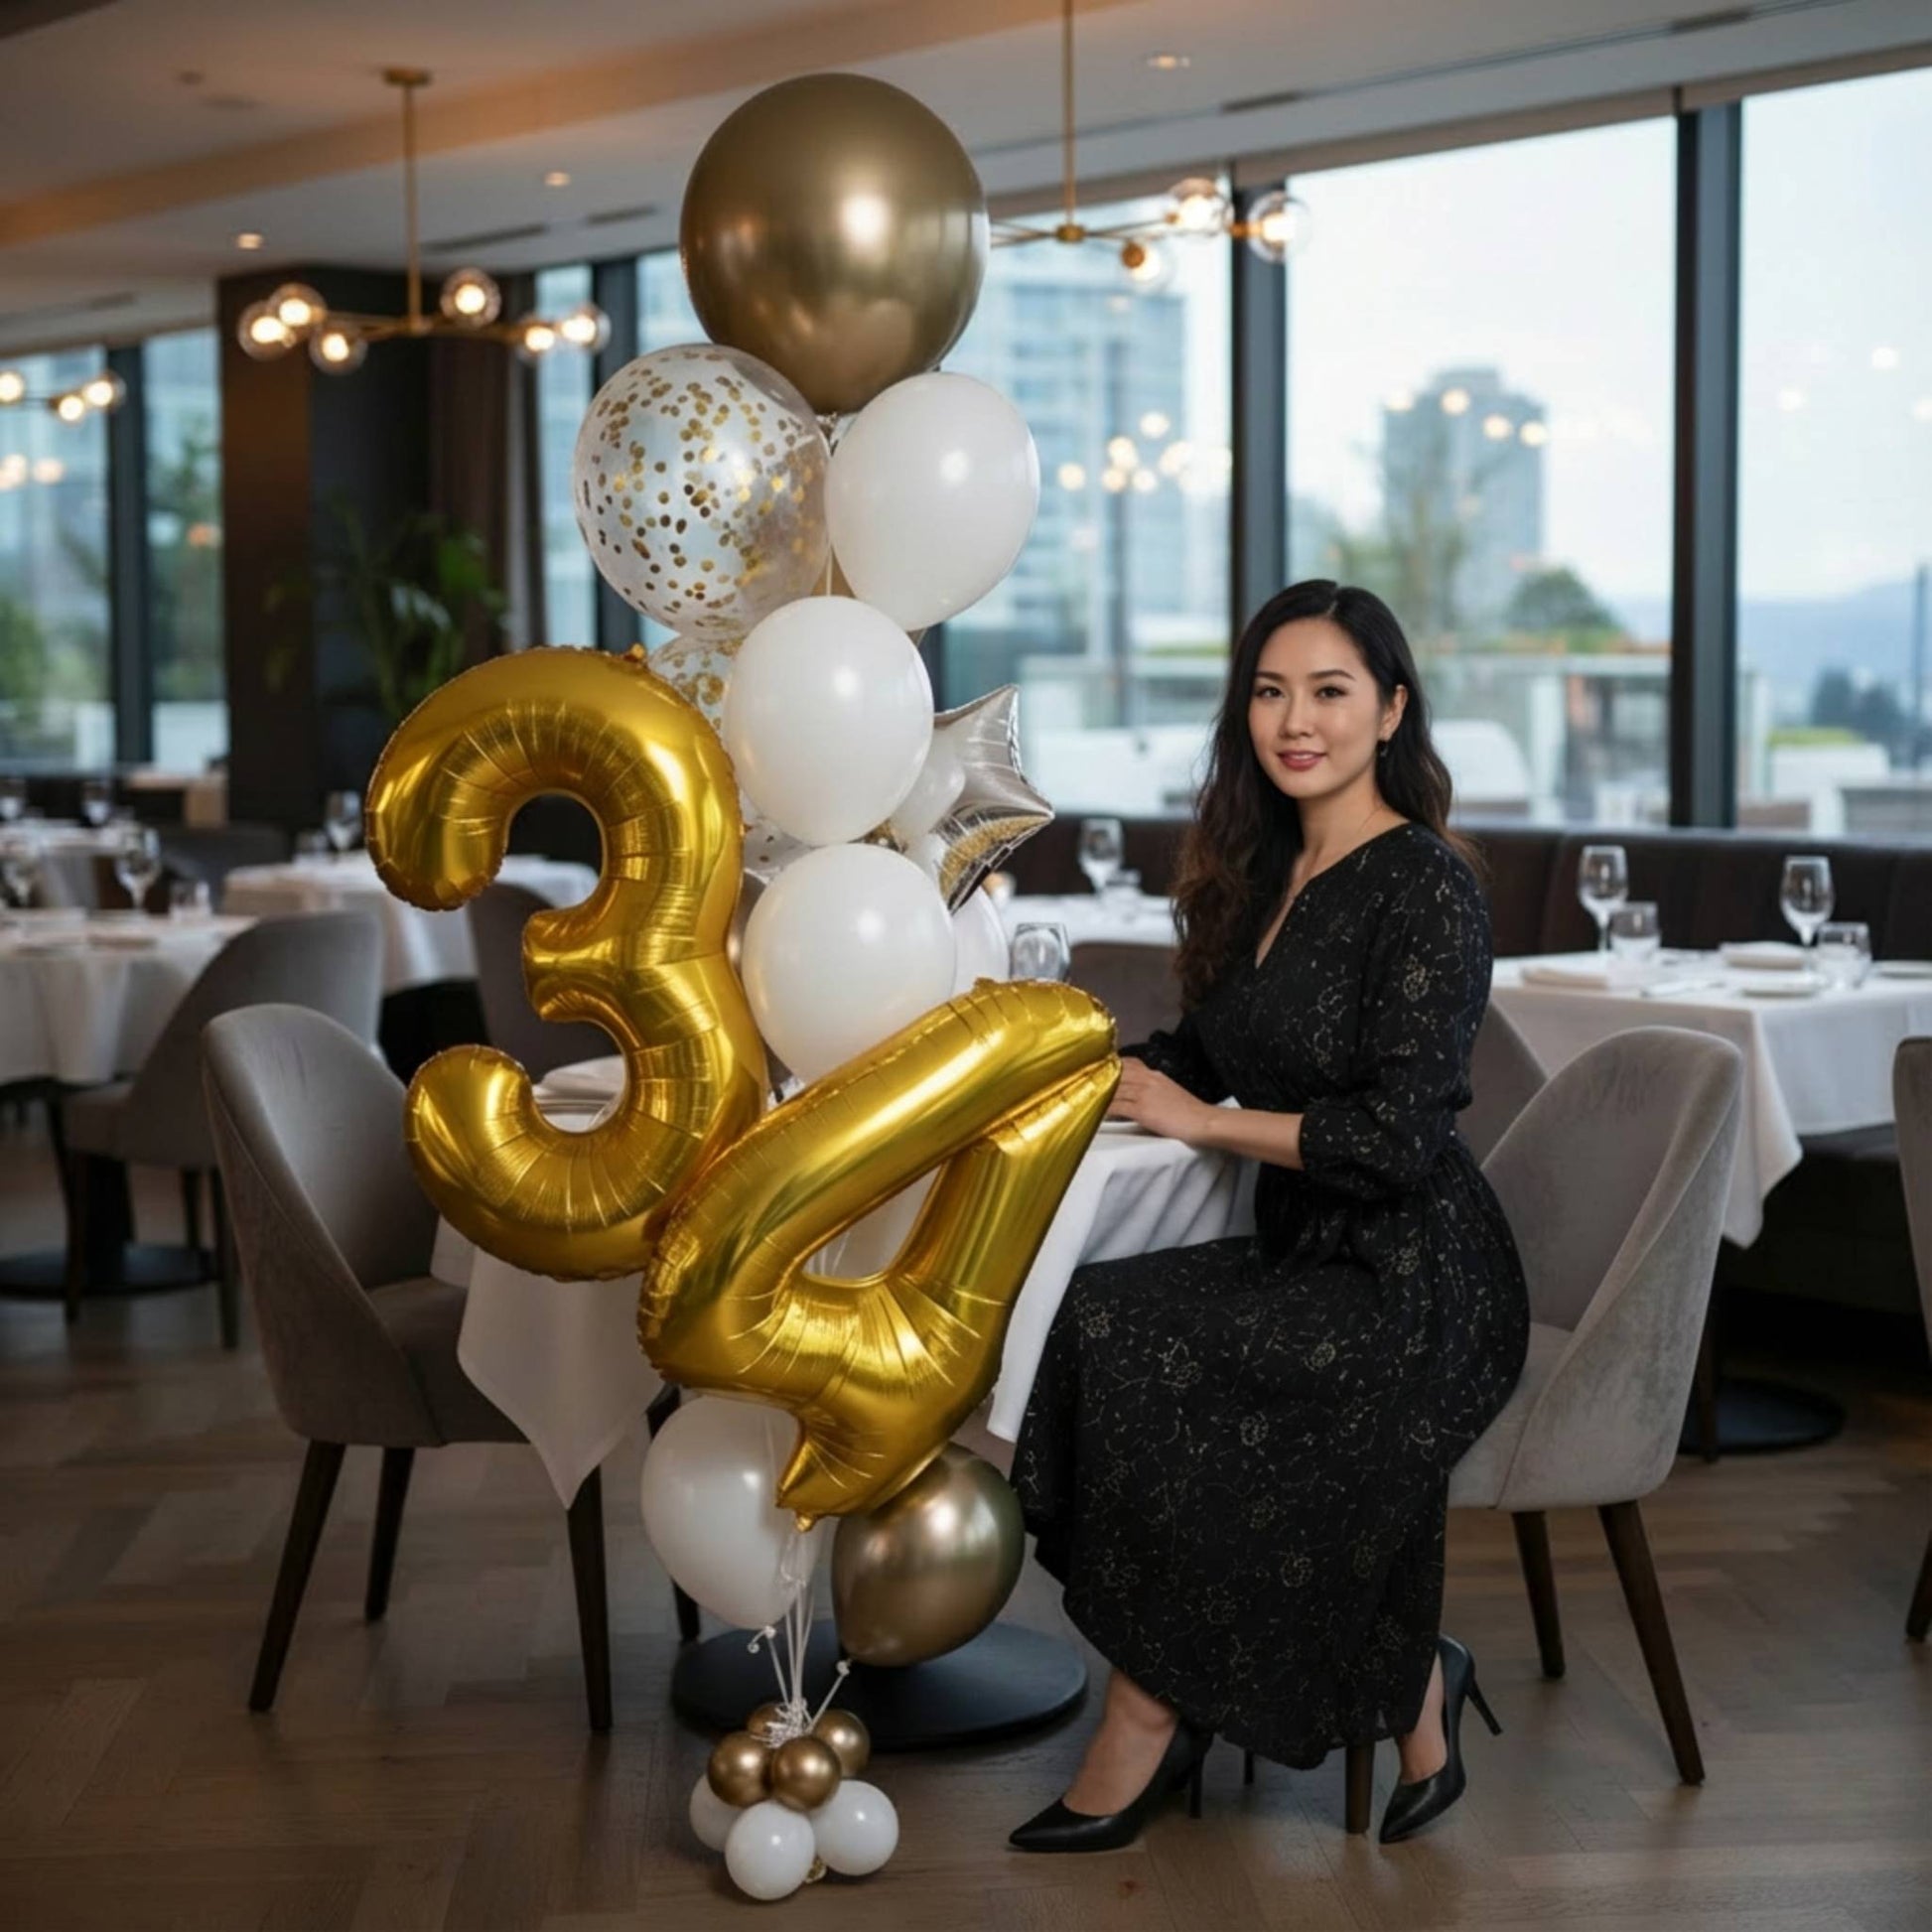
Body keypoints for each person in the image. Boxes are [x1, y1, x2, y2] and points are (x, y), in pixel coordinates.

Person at [1009, 580, 1529, 1853]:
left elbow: (1396, 1138)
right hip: (1312, 1242)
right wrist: (1043, 1068)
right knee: (1099, 1313)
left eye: (1330, 690)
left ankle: (1146, 1709)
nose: (1294, 720)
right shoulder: (1263, 868)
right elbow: (1196, 1050)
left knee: (1164, 1353)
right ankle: (1408, 1672)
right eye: (1268, 689)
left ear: (1391, 708)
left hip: (1418, 1273)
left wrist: (1202, 1126)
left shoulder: (1424, 887)